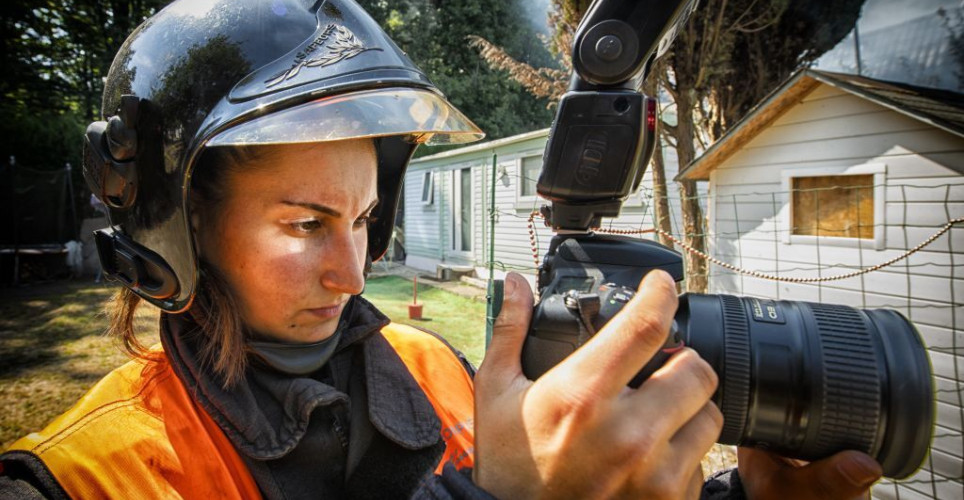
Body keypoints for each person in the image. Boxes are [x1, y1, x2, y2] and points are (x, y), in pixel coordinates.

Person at [0, 1, 883, 498]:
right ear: (178, 226)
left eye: (362, 221)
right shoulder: (90, 477)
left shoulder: (433, 368)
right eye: (306, 223)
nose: (352, 274)